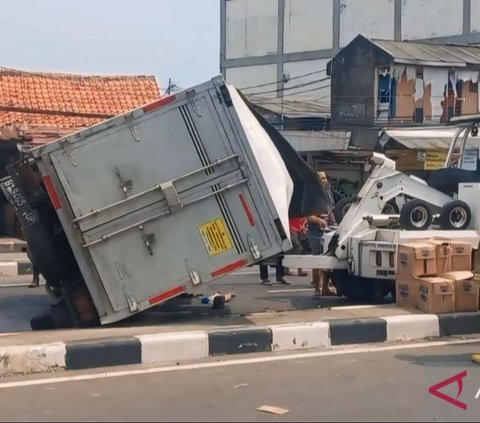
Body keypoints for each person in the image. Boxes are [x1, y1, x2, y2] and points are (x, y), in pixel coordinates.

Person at [307, 171, 336, 298]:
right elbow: (307, 216)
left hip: (328, 232)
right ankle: (317, 290)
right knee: (317, 263)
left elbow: (331, 211)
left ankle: (325, 288)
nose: (324, 180)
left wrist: (335, 224)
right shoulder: (311, 195)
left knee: (327, 263)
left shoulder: (329, 194)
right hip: (315, 233)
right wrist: (318, 220)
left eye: (325, 178)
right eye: (321, 178)